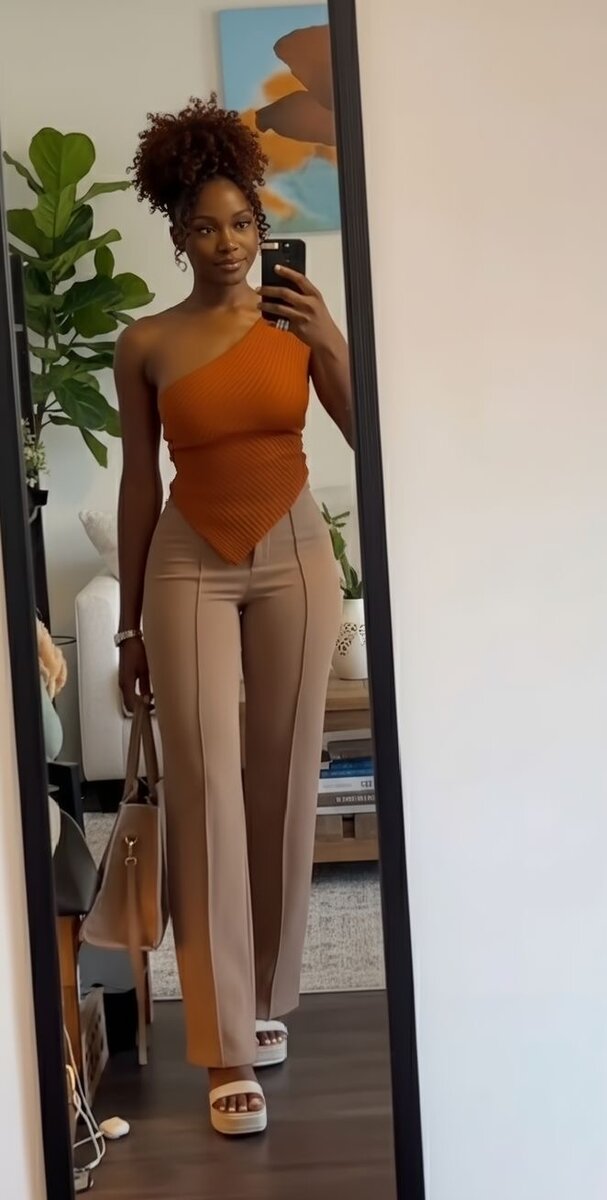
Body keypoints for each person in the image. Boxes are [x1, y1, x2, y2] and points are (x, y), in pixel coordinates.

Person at [114, 95, 352, 1136]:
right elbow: (138, 482)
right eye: (205, 227)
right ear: (177, 234)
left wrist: (330, 339)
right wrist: (129, 625)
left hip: (296, 552)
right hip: (188, 564)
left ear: (263, 225)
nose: (228, 243)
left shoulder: (294, 322)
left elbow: (375, 433)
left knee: (283, 780)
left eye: (243, 223)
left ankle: (261, 999)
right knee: (207, 783)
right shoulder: (146, 342)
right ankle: (222, 1046)